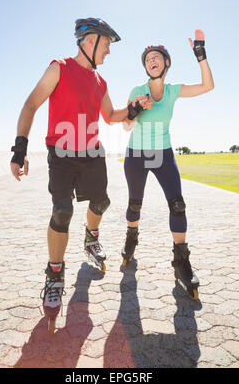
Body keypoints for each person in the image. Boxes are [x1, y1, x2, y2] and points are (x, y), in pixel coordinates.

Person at [10, 18, 149, 334]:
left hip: (91, 153)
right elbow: (31, 104)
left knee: (101, 202)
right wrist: (20, 149)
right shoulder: (59, 68)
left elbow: (111, 116)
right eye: (107, 44)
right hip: (60, 154)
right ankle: (55, 274)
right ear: (90, 41)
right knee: (62, 211)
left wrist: (136, 108)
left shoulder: (100, 82)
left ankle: (91, 238)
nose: (109, 51)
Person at [121, 30, 214, 300]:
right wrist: (135, 111)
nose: (152, 60)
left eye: (156, 57)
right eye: (148, 58)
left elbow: (208, 86)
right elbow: (126, 125)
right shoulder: (137, 91)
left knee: (177, 203)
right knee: (134, 205)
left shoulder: (173, 91)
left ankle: (181, 262)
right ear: (146, 65)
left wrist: (200, 54)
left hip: (162, 153)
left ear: (166, 63)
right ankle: (131, 237)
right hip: (137, 154)